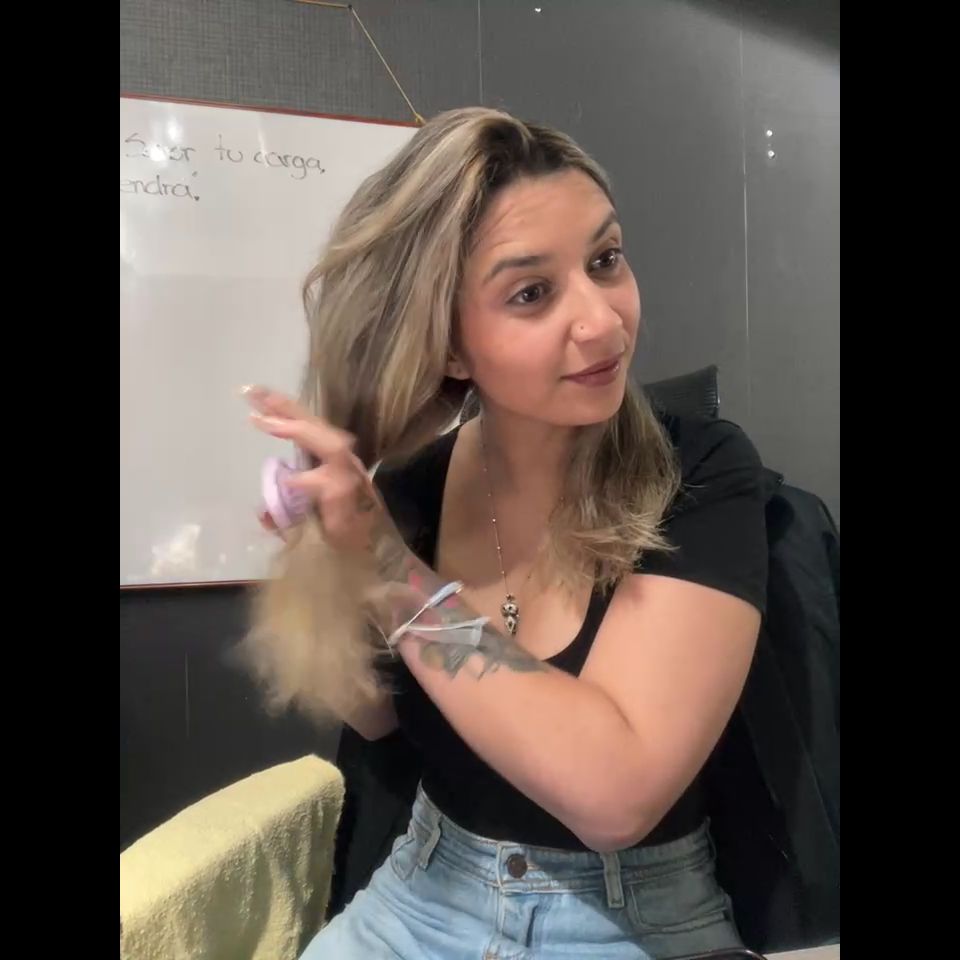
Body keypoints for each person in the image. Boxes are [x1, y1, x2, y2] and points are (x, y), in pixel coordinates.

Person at [241, 107, 768, 959]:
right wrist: (326, 562)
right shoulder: (410, 489)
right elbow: (377, 722)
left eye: (605, 260)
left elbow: (617, 796)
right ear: (451, 346)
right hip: (422, 893)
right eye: (531, 293)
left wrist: (392, 574)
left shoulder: (698, 473)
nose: (602, 321)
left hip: (634, 916)